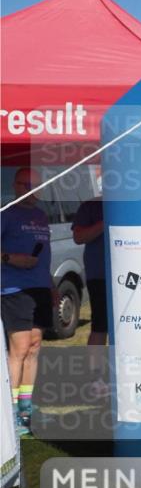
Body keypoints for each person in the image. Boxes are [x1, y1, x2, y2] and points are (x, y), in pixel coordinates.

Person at [1, 168, 56, 435]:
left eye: (37, 186)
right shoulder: (6, 213)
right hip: (15, 288)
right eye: (27, 185)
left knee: (34, 347)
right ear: (16, 185)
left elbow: (46, 254)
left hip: (41, 287)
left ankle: (25, 409)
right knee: (19, 349)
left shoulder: (41, 216)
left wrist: (52, 284)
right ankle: (10, 412)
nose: (33, 191)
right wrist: (11, 259)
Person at [71, 195, 107, 346]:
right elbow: (78, 237)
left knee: (131, 323)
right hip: (100, 276)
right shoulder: (91, 205)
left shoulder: (139, 202)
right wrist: (106, 221)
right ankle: (95, 369)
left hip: (134, 275)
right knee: (100, 325)